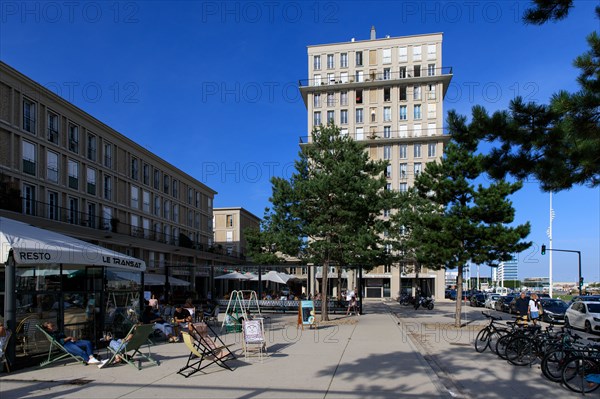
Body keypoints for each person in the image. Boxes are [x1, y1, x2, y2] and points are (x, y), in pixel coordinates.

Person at [41, 321, 106, 366]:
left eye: (53, 325)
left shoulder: (56, 332)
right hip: (66, 345)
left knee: (88, 343)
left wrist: (71, 338)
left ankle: (91, 358)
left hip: (70, 342)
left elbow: (64, 337)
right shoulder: (51, 335)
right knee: (82, 352)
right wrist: (68, 338)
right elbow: (59, 342)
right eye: (51, 326)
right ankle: (89, 360)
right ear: (47, 328)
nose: (53, 327)